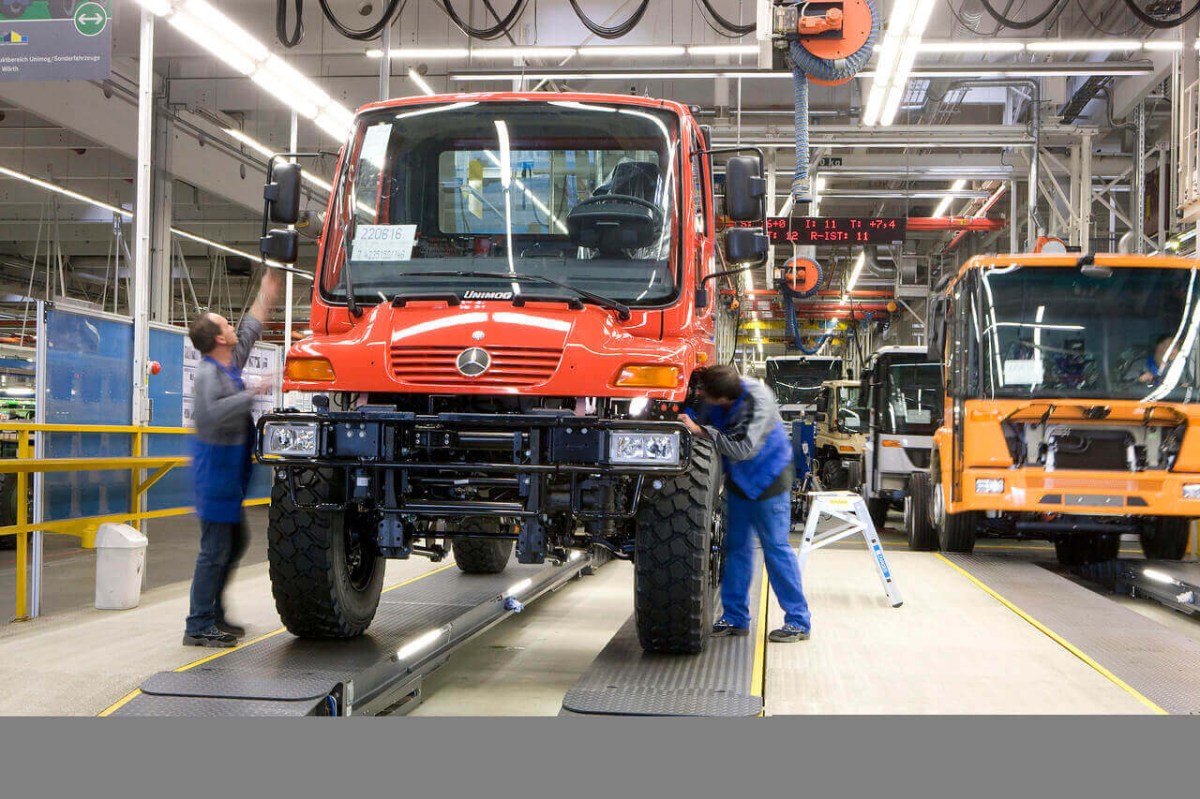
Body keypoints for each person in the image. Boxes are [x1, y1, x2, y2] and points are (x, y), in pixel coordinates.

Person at [182, 269, 281, 647]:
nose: (232, 324)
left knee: (233, 543)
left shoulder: (228, 364)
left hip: (230, 472)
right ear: (220, 338)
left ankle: (214, 614)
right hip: (216, 472)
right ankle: (197, 624)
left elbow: (251, 329)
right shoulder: (210, 375)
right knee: (214, 550)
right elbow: (212, 415)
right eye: (226, 323)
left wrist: (266, 294)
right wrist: (252, 392)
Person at [679, 365, 812, 643]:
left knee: (775, 549)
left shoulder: (758, 399)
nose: (702, 397)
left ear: (723, 398)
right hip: (740, 482)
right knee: (737, 548)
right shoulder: (717, 391)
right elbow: (695, 415)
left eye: (707, 395)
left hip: (769, 479)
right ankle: (736, 617)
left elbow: (742, 449)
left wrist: (702, 431)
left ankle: (798, 621)